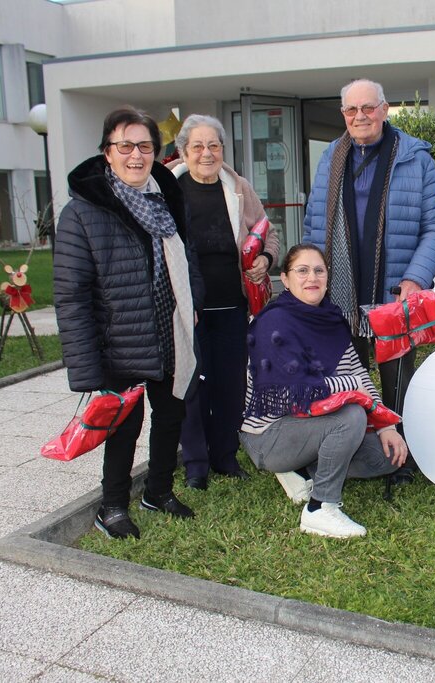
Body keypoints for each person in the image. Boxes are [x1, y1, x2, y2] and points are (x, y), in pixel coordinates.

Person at [54, 106, 203, 540]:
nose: (135, 155)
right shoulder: (82, 212)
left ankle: (158, 491)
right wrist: (86, 368)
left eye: (145, 146)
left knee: (171, 415)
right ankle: (113, 507)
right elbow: (71, 295)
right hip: (119, 341)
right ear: (107, 152)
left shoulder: (166, 199)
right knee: (124, 427)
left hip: (171, 332)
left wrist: (192, 302)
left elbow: (188, 259)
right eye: (125, 146)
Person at [302, 78, 435, 433]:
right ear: (343, 114)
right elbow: (313, 224)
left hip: (395, 291)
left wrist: (415, 279)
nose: (360, 116)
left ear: (384, 110)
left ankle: (403, 446)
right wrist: (309, 280)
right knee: (347, 381)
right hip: (340, 295)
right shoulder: (330, 158)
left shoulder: (415, 157)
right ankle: (362, 445)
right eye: (351, 109)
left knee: (398, 382)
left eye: (368, 107)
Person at [239, 243, 408, 538]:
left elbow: (359, 374)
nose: (312, 278)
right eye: (302, 271)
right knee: (351, 417)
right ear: (286, 279)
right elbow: (290, 393)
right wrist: (351, 387)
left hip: (312, 425)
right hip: (270, 436)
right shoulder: (273, 323)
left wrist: (386, 426)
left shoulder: (331, 319)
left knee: (387, 457)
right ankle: (320, 508)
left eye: (319, 270)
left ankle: (300, 471)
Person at [167, 114, 278, 490]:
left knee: (230, 384)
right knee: (193, 386)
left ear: (223, 149)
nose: (206, 153)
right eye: (197, 146)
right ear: (184, 151)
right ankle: (196, 464)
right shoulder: (170, 189)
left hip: (232, 305)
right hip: (187, 309)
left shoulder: (238, 187)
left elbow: (267, 231)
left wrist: (266, 259)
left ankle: (225, 455)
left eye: (213, 145)